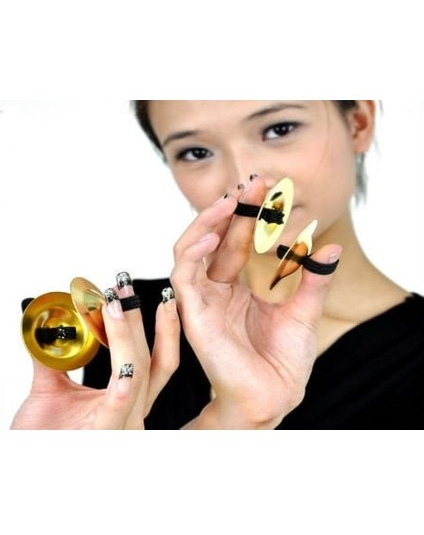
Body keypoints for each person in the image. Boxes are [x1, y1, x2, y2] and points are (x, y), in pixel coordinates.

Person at [13, 101, 424, 429]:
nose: (246, 179)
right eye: (197, 152)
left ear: (359, 122)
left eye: (279, 129)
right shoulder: (132, 325)